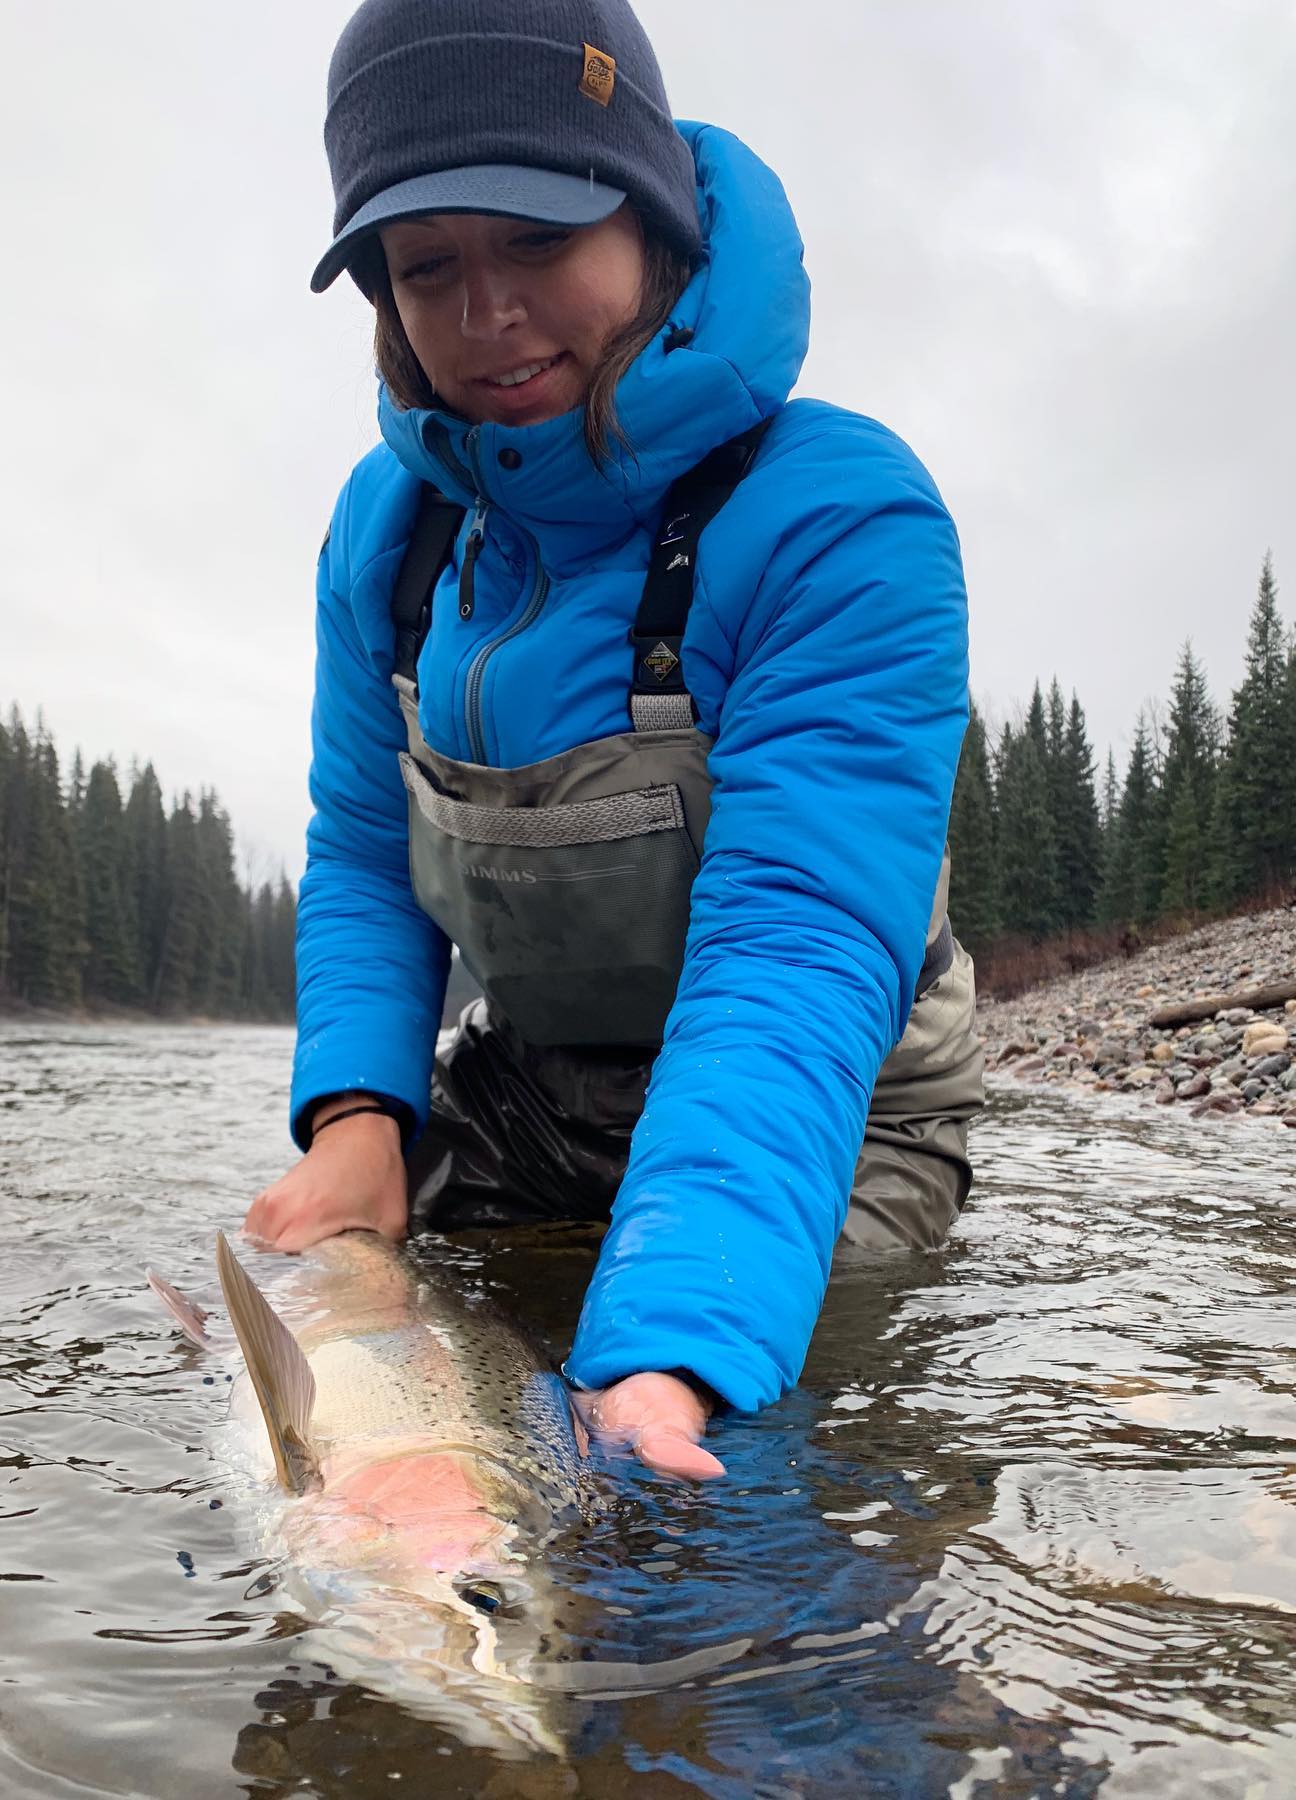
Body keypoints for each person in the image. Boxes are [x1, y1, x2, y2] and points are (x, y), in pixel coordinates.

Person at [245, 0, 984, 1480]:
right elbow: (367, 854)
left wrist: (678, 1336)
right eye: (426, 264)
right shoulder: (384, 540)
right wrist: (357, 1113)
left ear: (649, 222)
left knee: (722, 1496)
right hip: (527, 1091)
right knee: (327, 1342)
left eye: (534, 238)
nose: (483, 311)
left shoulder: (843, 516)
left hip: (835, 1102)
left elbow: (799, 942)